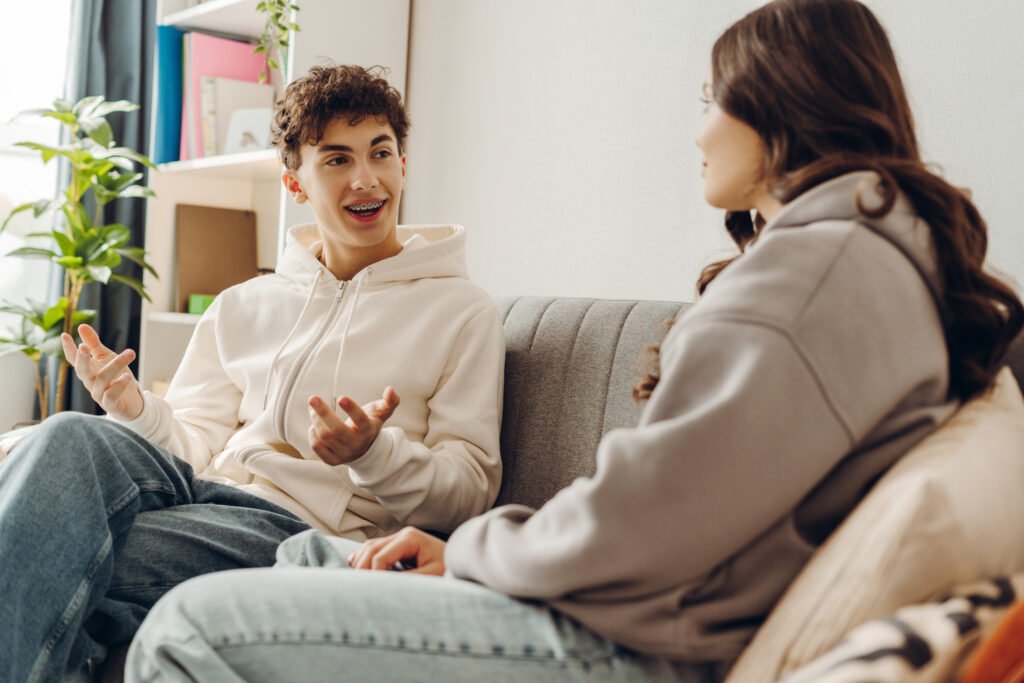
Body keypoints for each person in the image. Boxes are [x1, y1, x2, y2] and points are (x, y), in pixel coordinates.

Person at [125, 1, 1024, 681]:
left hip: (632, 638)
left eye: (713, 101)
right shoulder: (861, 254)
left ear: (780, 107)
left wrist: (473, 549)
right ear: (297, 182)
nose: (698, 128)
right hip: (627, 601)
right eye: (335, 158)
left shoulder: (820, 270)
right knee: (300, 554)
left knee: (185, 625)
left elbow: (652, 518)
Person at [0, 65, 505, 683]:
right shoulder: (243, 303)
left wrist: (375, 454)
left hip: (297, 532)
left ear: (404, 165)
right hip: (203, 497)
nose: (367, 178)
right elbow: (192, 444)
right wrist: (134, 408)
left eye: (381, 153)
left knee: (51, 548)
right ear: (295, 183)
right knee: (70, 434)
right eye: (338, 160)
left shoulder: (461, 310)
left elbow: (471, 489)